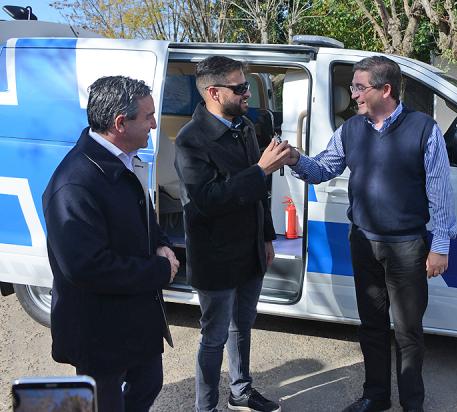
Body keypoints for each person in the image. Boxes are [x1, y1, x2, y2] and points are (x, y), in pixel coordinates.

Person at [285, 56, 456, 412]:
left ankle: (412, 404)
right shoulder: (350, 130)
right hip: (363, 242)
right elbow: (322, 169)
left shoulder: (423, 129)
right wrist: (293, 158)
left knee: (408, 333)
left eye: (360, 87)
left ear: (386, 90)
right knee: (371, 327)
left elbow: (441, 193)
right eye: (354, 87)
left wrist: (440, 246)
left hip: (407, 247)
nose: (354, 95)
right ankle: (375, 396)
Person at [42, 76, 180, 412]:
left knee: (149, 382)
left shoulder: (120, 160)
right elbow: (86, 267)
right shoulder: (74, 183)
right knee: (105, 404)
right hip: (100, 329)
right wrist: (160, 269)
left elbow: (142, 214)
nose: (154, 123)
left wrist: (161, 243)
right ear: (120, 123)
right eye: (147, 116)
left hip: (134, 317)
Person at [174, 56, 289, 412]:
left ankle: (240, 390)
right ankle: (205, 406)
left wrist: (267, 237)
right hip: (217, 255)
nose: (247, 95)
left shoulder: (244, 126)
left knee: (244, 325)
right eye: (239, 88)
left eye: (247, 87)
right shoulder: (191, 140)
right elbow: (207, 200)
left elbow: (259, 196)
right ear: (213, 92)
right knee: (215, 336)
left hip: (250, 249)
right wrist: (259, 171)